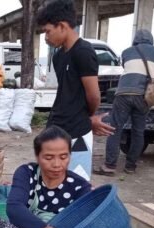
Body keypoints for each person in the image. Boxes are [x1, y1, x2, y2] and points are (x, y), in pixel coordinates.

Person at [37, 0, 114, 181]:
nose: (46, 38)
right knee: (51, 180)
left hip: (77, 131)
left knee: (76, 181)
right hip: (56, 125)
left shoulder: (83, 52)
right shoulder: (58, 57)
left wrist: (87, 119)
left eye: (48, 31)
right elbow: (66, 92)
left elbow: (93, 95)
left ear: (62, 26)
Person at [96, 29, 154, 176]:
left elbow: (127, 68)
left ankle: (109, 166)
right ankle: (130, 166)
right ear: (151, 40)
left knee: (115, 129)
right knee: (138, 131)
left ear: (135, 40)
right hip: (144, 95)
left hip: (123, 93)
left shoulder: (126, 52)